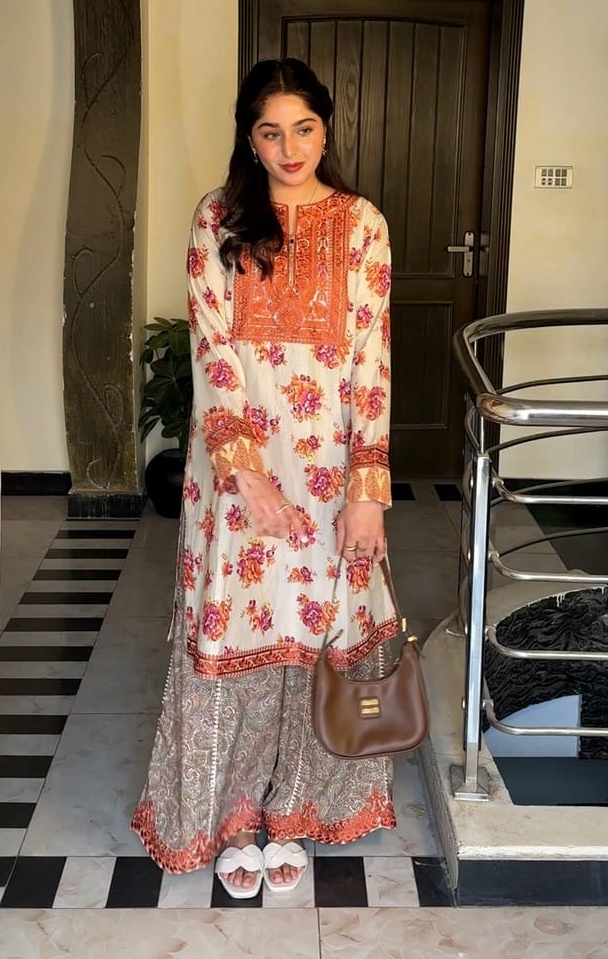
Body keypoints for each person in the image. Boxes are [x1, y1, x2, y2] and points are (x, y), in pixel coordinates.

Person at [131, 57, 397, 899]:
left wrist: (366, 493)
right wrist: (247, 477)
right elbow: (213, 353)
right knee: (235, 634)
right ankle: (232, 815)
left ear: (326, 128)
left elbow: (371, 364)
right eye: (270, 132)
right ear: (249, 138)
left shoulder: (361, 223)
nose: (289, 148)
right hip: (235, 473)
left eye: (304, 128)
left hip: (330, 470)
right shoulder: (219, 218)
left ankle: (294, 809)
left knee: (317, 635)